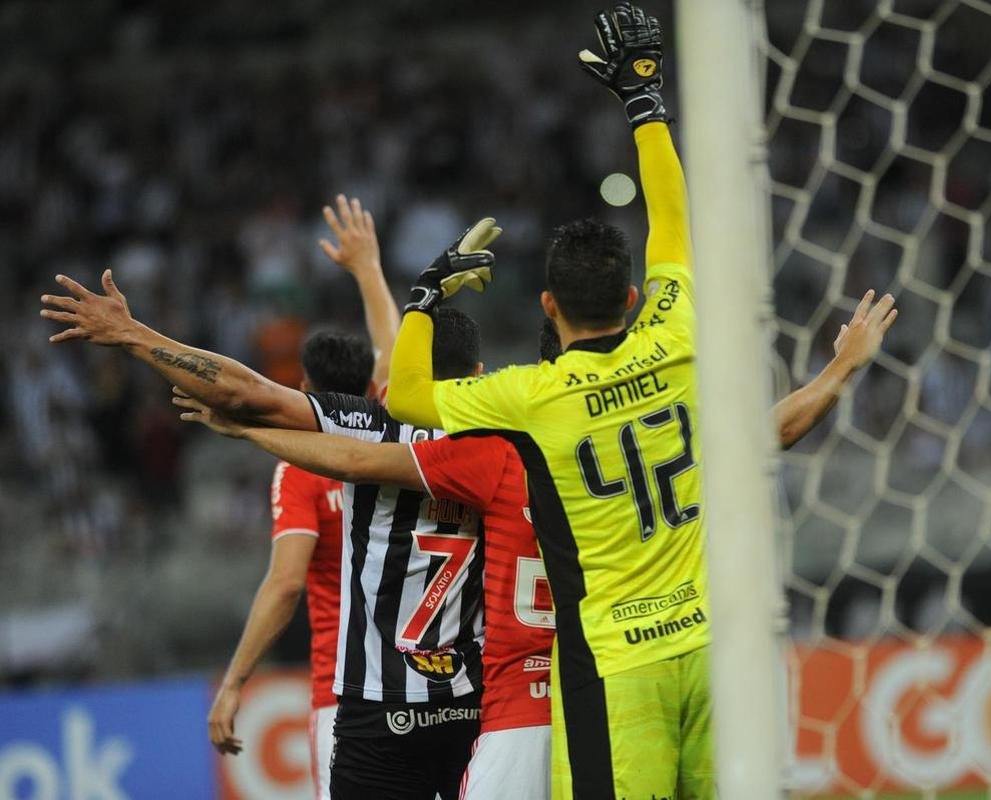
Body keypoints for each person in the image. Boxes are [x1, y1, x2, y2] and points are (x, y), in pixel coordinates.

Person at [380, 6, 897, 798]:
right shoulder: (677, 331)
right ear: (630, 297)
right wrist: (644, 101)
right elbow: (673, 225)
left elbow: (409, 396)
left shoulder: (532, 396)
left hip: (616, 665)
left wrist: (424, 295)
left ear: (547, 306)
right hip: (715, 647)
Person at [174, 287, 894, 800]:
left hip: (519, 699)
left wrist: (252, 432)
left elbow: (366, 450)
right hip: (630, 674)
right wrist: (841, 368)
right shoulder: (655, 442)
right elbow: (775, 429)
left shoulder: (493, 456)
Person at [39, 202, 497, 800]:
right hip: (471, 700)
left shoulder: (371, 431)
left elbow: (246, 392)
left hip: (377, 704)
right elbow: (392, 353)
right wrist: (368, 269)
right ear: (478, 370)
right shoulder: (503, 439)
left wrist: (133, 334)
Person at [207, 195, 398, 800]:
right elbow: (393, 351)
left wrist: (235, 682)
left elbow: (287, 583)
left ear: (304, 389)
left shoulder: (299, 471)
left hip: (344, 695)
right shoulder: (397, 435)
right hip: (425, 686)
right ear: (370, 386)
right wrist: (368, 268)